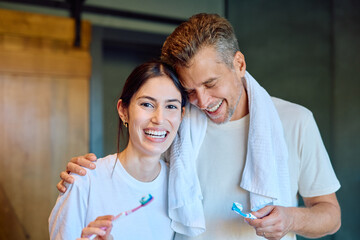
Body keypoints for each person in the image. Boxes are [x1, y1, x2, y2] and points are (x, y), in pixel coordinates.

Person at [57, 13, 341, 240]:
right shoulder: (179, 123)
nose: (202, 102)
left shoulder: (296, 121)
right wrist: (84, 179)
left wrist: (290, 218)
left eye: (210, 83)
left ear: (239, 64)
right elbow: (137, 170)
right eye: (189, 90)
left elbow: (330, 216)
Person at [49, 61, 187, 239]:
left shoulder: (181, 185)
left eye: (171, 106)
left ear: (182, 115)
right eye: (147, 104)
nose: (159, 119)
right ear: (123, 111)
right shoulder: (85, 181)